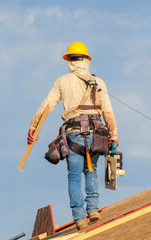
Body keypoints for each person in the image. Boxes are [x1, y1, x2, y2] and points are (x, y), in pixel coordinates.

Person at [27, 42, 118, 230]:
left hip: (73, 134)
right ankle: (93, 209)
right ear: (86, 60)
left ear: (69, 60)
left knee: (74, 177)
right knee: (90, 171)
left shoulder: (62, 81)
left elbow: (47, 106)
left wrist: (33, 127)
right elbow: (108, 112)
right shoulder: (98, 82)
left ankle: (79, 218)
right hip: (95, 132)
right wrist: (114, 135)